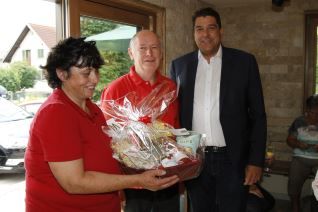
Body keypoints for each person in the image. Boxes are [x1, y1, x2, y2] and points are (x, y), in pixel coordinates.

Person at [24, 37, 179, 212]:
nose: (95, 79)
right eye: (86, 73)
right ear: (62, 73)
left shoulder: (91, 108)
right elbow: (74, 182)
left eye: (96, 71)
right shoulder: (56, 113)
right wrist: (138, 180)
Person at [169, 7, 267, 212]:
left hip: (233, 159)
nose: (205, 34)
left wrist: (256, 161)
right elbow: (174, 112)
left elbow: (258, 116)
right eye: (199, 29)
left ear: (221, 31)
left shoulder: (244, 62)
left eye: (211, 28)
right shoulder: (179, 65)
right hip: (196, 158)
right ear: (193, 33)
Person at [100, 30, 180, 212]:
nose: (149, 54)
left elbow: (176, 130)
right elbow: (107, 143)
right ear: (131, 53)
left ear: (161, 52)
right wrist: (118, 189)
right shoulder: (115, 90)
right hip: (134, 185)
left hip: (168, 177)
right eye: (142, 48)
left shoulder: (170, 87)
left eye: (154, 48)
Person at [287, 95, 318, 212]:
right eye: (313, 113)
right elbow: (289, 140)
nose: (316, 116)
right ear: (307, 111)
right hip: (300, 158)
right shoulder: (299, 122)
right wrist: (298, 144)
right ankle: (295, 206)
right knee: (294, 181)